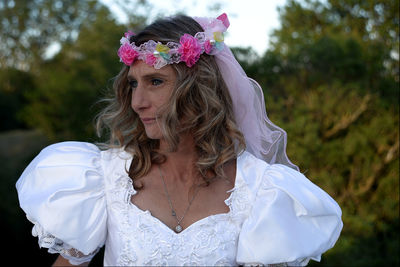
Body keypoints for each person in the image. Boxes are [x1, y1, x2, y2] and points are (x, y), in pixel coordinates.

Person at [16, 13, 343, 266]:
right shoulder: (102, 178)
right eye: (133, 84)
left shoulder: (263, 191)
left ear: (199, 88)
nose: (137, 102)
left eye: (155, 81)